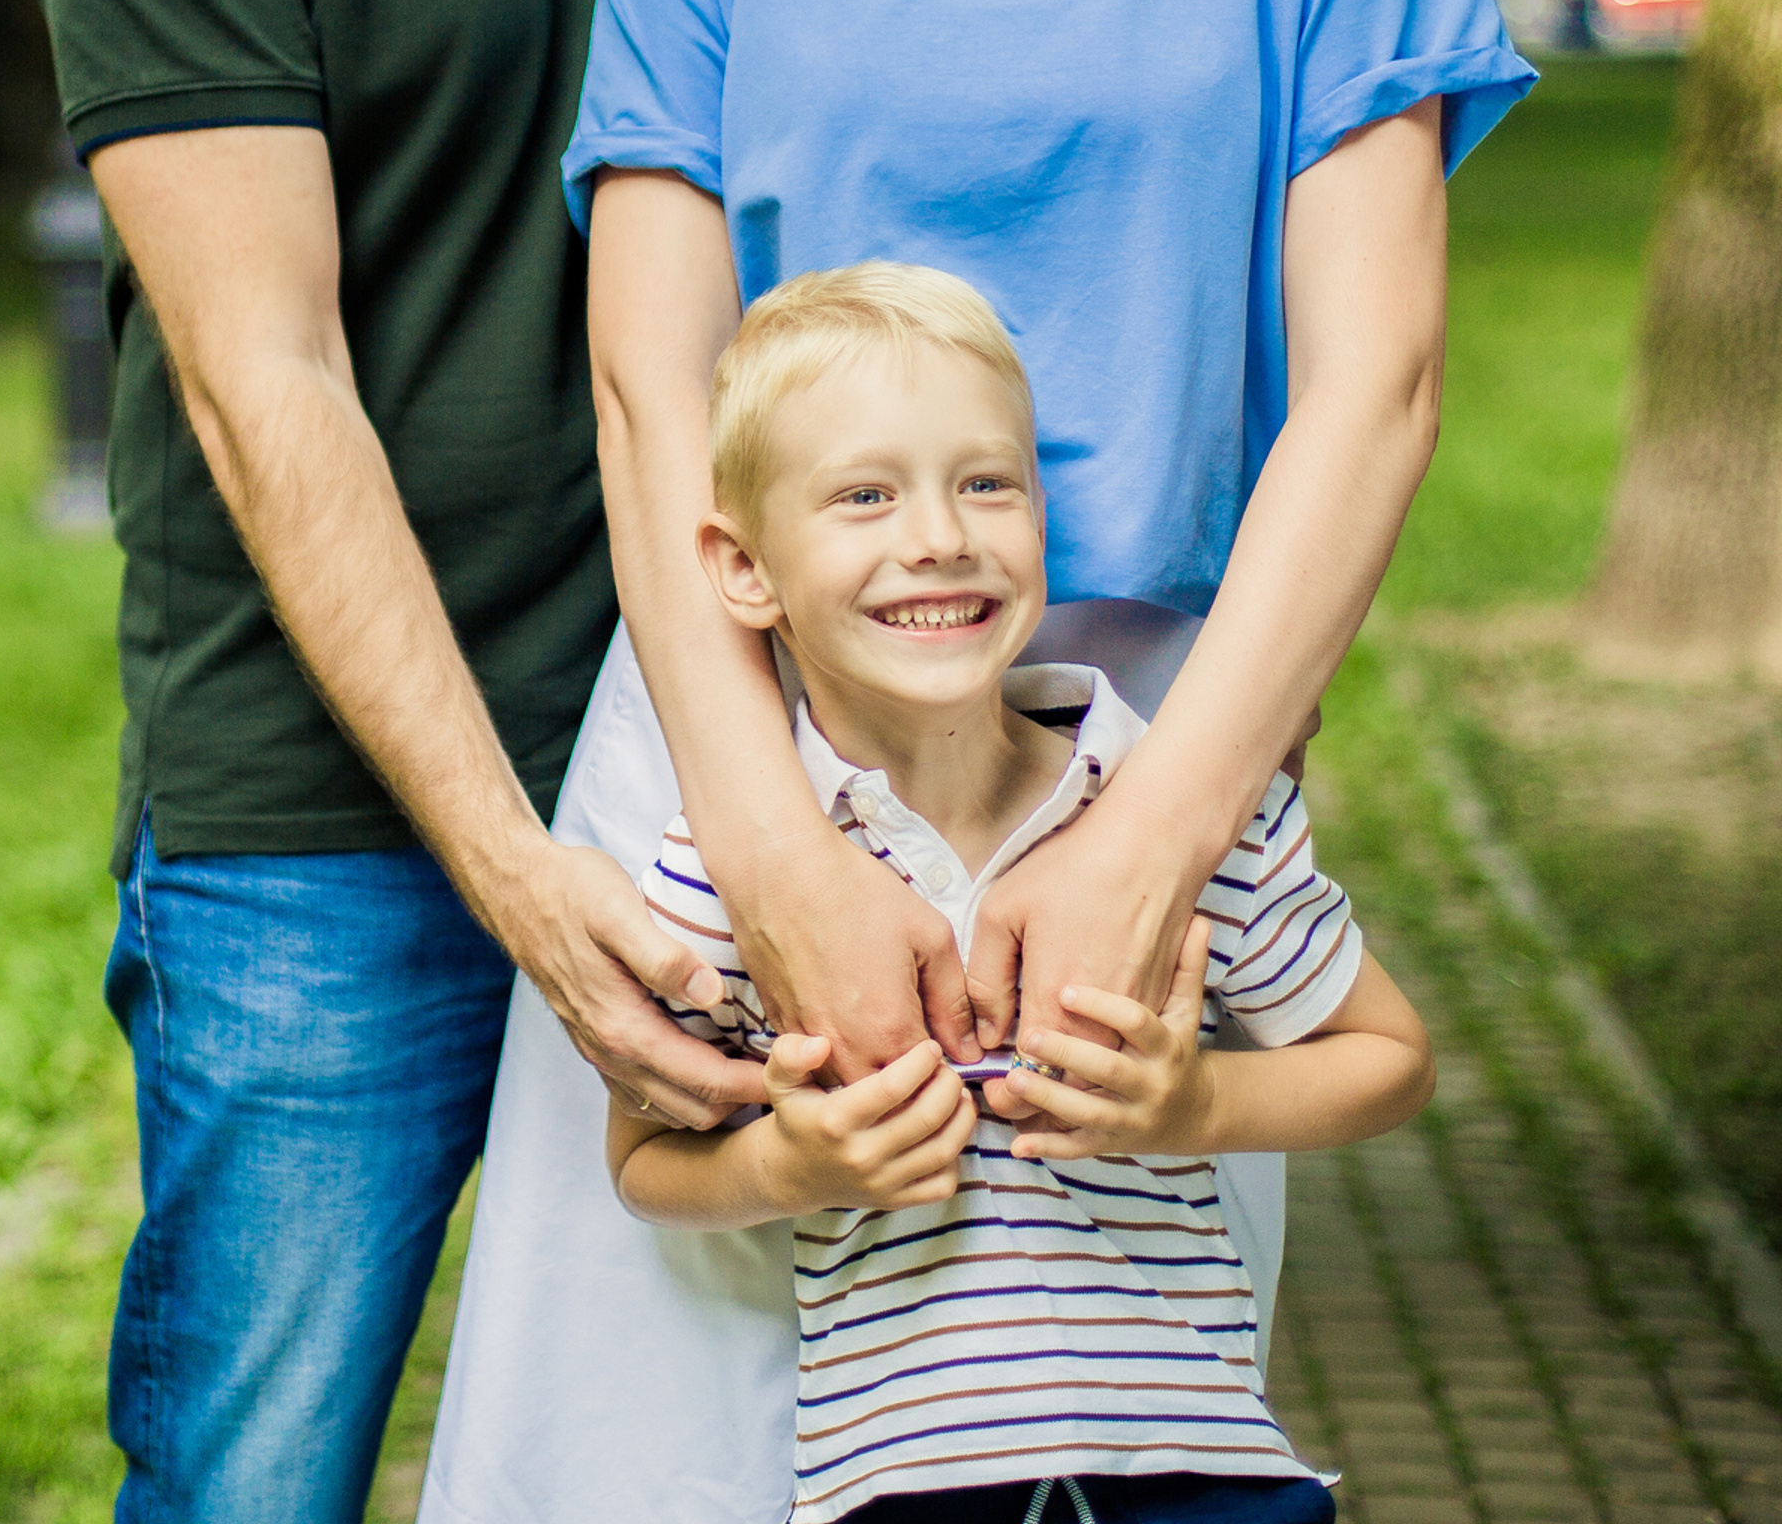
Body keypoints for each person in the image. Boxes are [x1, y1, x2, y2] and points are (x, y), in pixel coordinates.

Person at [421, 0, 1531, 1521]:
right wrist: (765, 843)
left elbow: (1372, 387)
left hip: (1134, 755)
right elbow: (651, 390)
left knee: (1077, 1437)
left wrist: (1156, 832)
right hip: (733, 732)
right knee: (642, 1447)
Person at [25, 0, 774, 1524]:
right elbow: (265, 387)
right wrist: (509, 870)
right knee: (255, 1481)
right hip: (323, 841)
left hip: (689, 781)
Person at [609, 261, 1433, 1522]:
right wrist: (786, 1164)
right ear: (743, 567)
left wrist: (1198, 1103)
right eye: (865, 495)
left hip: (1201, 1478)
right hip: (904, 1495)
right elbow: (643, 1159)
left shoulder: (1185, 819)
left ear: (1042, 516)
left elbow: (1390, 1059)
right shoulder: (727, 876)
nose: (939, 535)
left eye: (985, 483)